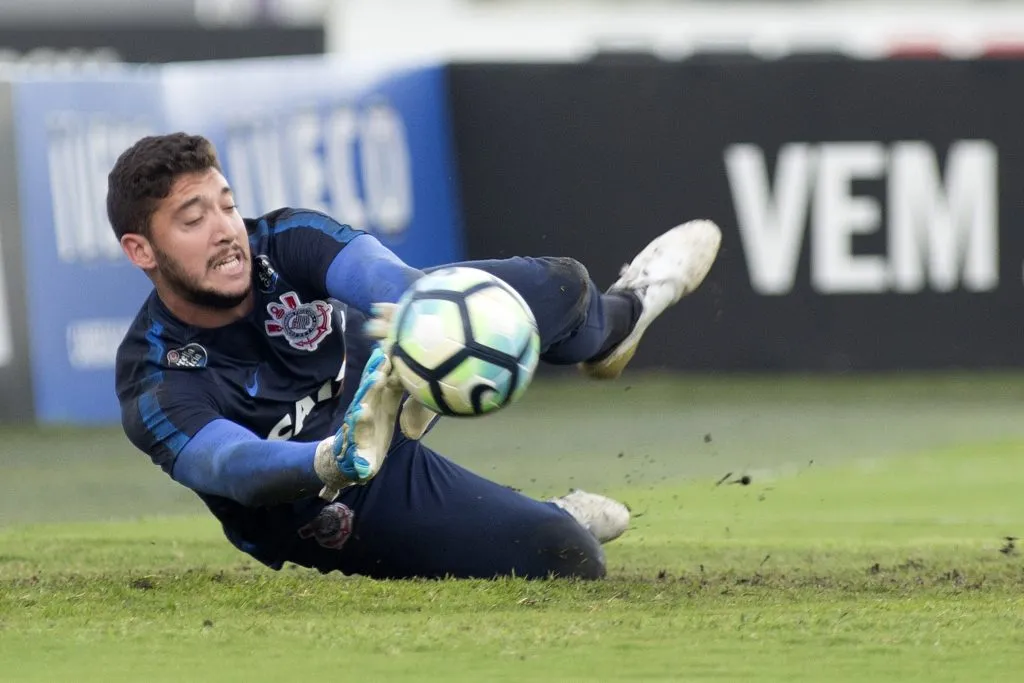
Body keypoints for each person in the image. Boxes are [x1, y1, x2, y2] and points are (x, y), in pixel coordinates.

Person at [111, 132, 721, 580]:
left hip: (382, 369)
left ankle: (624, 316)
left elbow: (375, 272)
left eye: (225, 203)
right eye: (194, 219)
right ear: (142, 250)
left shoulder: (283, 238)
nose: (225, 229)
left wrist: (417, 318)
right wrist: (331, 460)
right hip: (330, 493)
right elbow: (232, 466)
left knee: (561, 285)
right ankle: (548, 511)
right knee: (569, 557)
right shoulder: (155, 376)